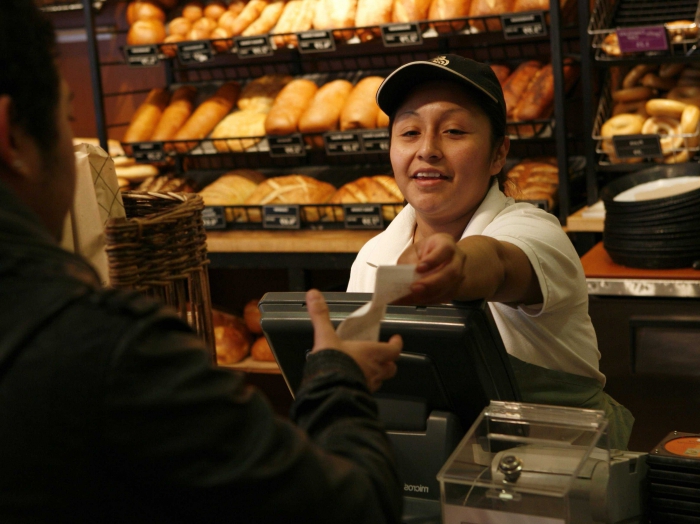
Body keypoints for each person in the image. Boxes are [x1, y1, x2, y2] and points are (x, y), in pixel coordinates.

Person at [0, 1, 404, 522]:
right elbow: (351, 508)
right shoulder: (108, 348)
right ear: (12, 137)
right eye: (68, 120)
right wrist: (336, 379)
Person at [348, 54, 634, 450]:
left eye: (453, 131)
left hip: (557, 481)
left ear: (498, 154)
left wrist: (456, 268)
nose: (427, 149)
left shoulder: (533, 230)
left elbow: (497, 262)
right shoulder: (372, 257)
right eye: (410, 132)